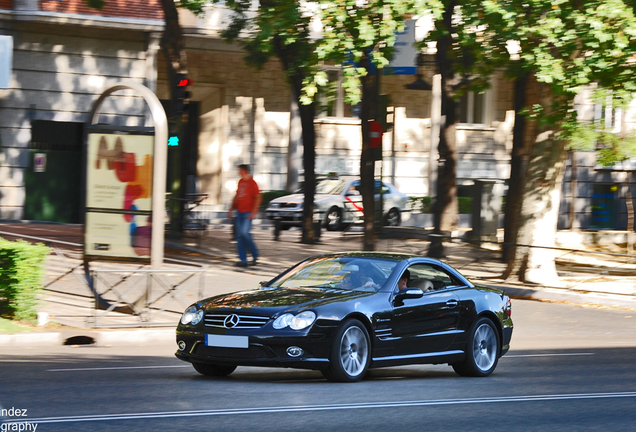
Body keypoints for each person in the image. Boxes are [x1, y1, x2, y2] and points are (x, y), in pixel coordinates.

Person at [228, 164, 261, 267]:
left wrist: (253, 211)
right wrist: (231, 209)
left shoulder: (252, 183)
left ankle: (255, 254)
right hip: (239, 211)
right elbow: (237, 196)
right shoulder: (241, 182)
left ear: (245, 171)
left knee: (244, 233)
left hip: (247, 212)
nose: (239, 172)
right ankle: (243, 260)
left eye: (240, 170)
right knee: (239, 236)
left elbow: (258, 197)